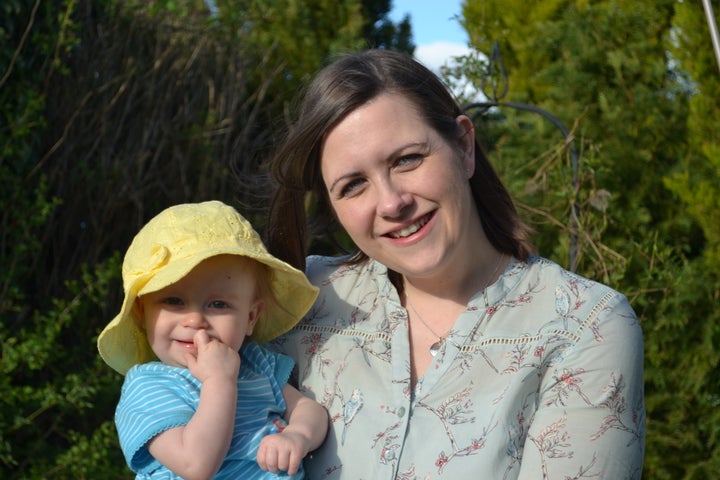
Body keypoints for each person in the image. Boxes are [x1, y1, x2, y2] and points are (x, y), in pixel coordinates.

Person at [264, 49, 645, 479]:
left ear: (464, 146)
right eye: (354, 185)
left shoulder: (584, 327)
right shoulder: (299, 302)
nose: (392, 202)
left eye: (406, 159)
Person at [97, 200, 328, 480]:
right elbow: (196, 466)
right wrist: (219, 381)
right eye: (173, 301)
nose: (194, 320)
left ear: (251, 318)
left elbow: (307, 408)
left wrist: (298, 436)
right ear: (142, 314)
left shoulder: (256, 364)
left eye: (218, 304)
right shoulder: (148, 387)